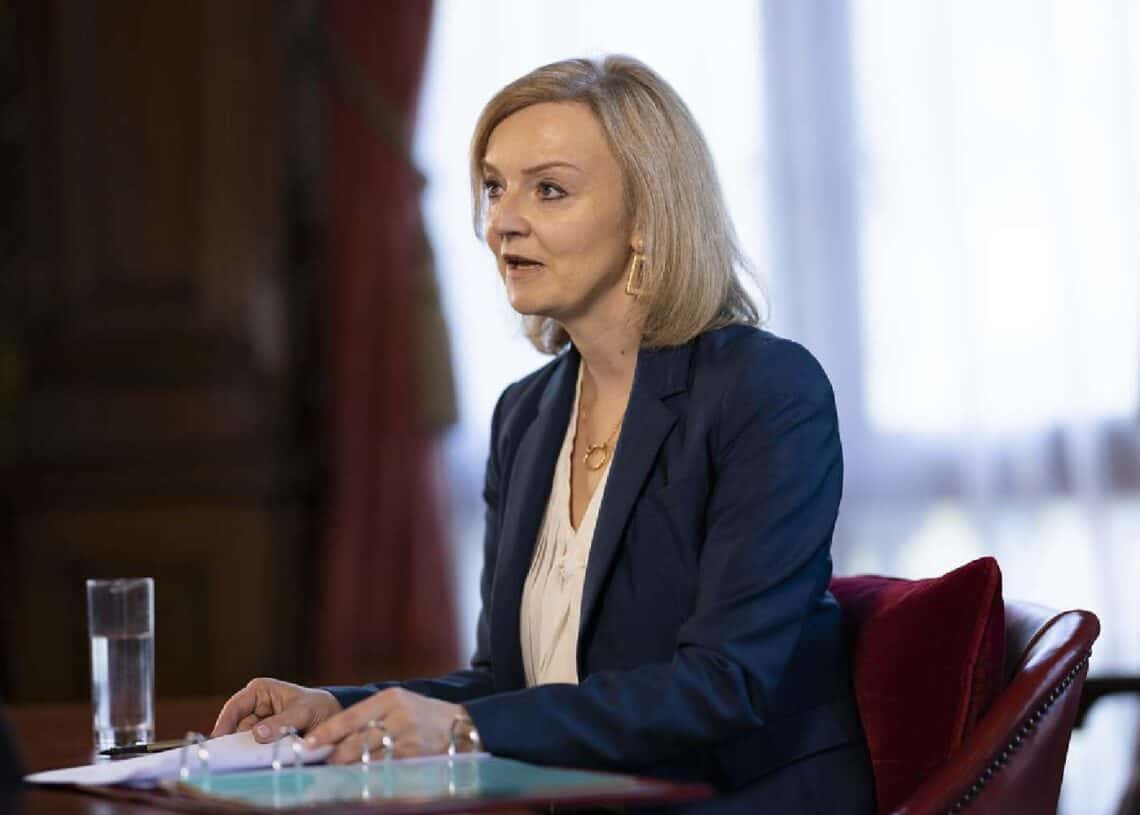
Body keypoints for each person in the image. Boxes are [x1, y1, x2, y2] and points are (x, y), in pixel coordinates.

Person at [212, 55, 875, 813]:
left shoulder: (766, 391)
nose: (502, 221)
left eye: (548, 189)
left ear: (647, 218)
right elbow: (507, 684)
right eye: (495, 187)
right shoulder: (526, 415)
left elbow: (726, 686)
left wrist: (464, 729)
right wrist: (339, 709)